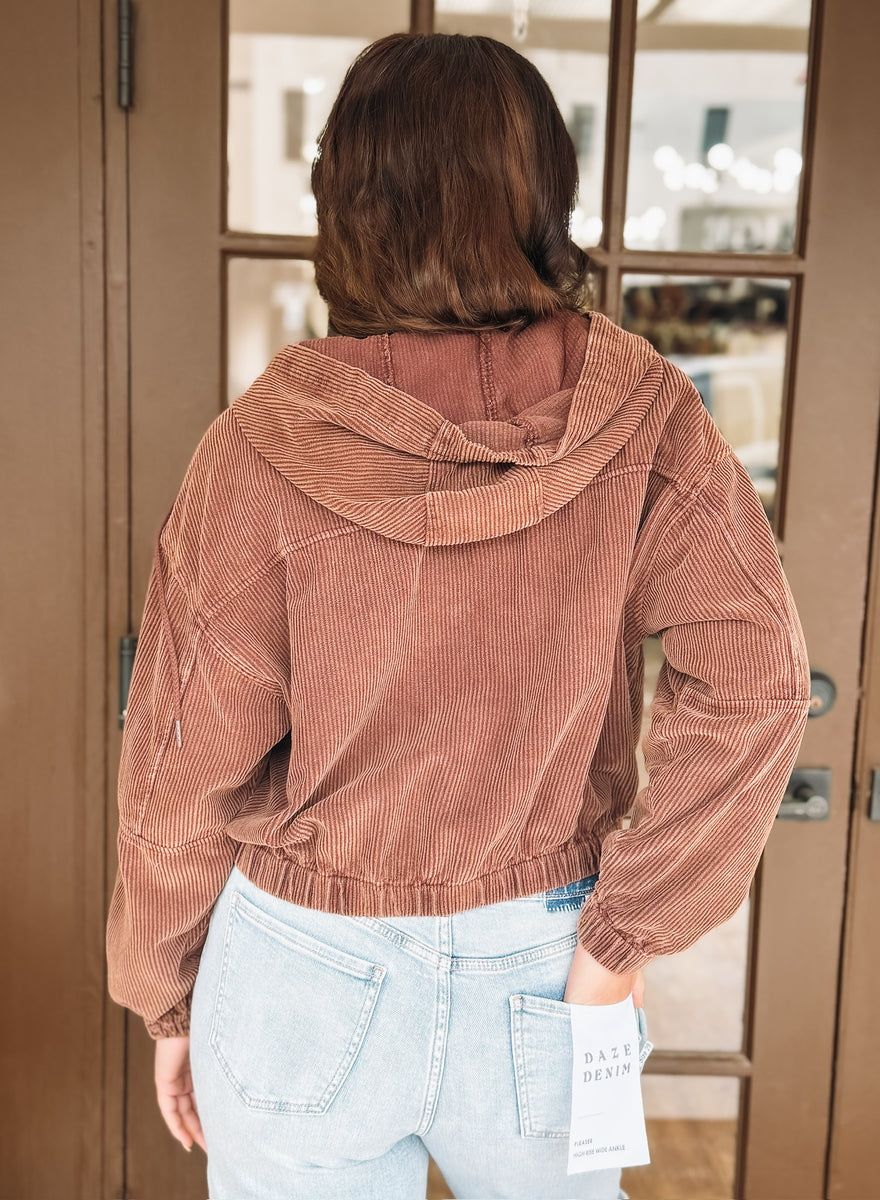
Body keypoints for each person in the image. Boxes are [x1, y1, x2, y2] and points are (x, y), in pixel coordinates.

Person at [105, 31, 810, 1200]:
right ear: (544, 193)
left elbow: (183, 761)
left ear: (346, 201)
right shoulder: (646, 417)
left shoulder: (258, 447)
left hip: (300, 969)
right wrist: (621, 940)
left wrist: (164, 990)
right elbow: (756, 684)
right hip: (548, 963)